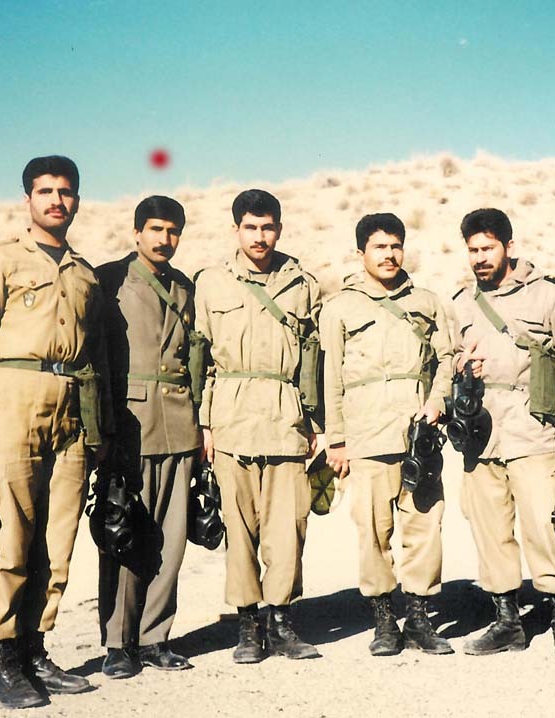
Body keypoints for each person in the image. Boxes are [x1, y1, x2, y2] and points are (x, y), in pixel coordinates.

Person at [0, 155, 111, 708]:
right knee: (11, 537)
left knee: (58, 539)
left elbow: (96, 353)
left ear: (77, 200)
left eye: (66, 192)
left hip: (73, 408)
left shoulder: (85, 274)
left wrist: (99, 427)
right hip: (14, 401)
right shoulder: (0, 261)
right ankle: (3, 661)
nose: (56, 201)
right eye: (46, 191)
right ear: (28, 199)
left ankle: (37, 650)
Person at [194, 189, 322, 663]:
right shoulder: (211, 283)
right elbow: (201, 358)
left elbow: (314, 357)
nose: (259, 236)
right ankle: (248, 624)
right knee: (239, 527)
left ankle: (282, 621)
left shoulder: (302, 284)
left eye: (267, 227)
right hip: (231, 417)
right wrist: (204, 425)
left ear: (279, 230)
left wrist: (316, 422)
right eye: (250, 227)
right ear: (236, 230)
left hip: (286, 416)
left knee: (288, 527)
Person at [321, 213, 454, 657]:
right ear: (361, 252)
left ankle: (418, 617)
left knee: (424, 526)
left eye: (396, 245)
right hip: (366, 435)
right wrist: (337, 439)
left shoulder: (427, 302)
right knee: (373, 531)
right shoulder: (340, 307)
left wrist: (437, 401)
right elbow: (330, 377)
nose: (390, 254)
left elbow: (446, 359)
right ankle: (383, 619)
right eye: (379, 246)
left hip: (418, 435)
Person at [449, 208, 555, 661]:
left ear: (509, 247)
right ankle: (507, 621)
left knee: (545, 526)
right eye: (473, 250)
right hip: (482, 431)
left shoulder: (547, 294)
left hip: (532, 426)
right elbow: (448, 359)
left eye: (488, 248)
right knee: (490, 528)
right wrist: (462, 367)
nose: (480, 258)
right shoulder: (462, 303)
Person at [95, 195, 200, 678]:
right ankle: (119, 643)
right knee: (123, 534)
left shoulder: (184, 287)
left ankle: (157, 638)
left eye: (173, 230)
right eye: (156, 229)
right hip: (129, 425)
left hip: (179, 424)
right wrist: (103, 426)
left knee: (170, 541)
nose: (165, 238)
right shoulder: (109, 279)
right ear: (137, 232)